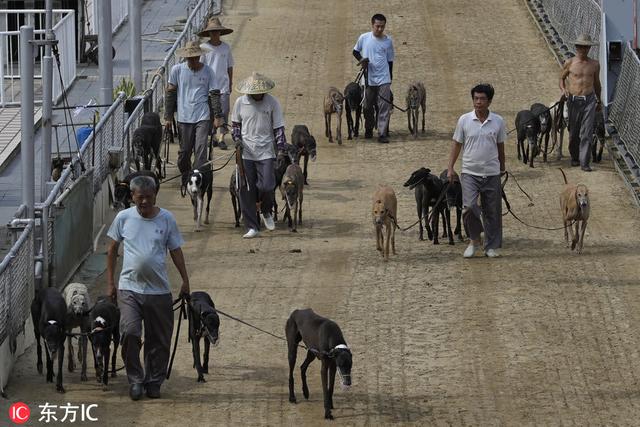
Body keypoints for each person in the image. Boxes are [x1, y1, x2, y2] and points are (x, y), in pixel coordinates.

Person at [106, 176, 190, 401]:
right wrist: (111, 284)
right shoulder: (123, 218)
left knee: (159, 340)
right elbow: (112, 250)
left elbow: (175, 251)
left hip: (159, 291)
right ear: (132, 196)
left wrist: (185, 280)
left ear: (155, 196)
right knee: (131, 333)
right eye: (139, 197)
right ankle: (135, 380)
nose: (144, 202)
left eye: (148, 197)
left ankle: (154, 382)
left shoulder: (167, 219)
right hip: (129, 289)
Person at [447, 84, 507, 259]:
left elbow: (500, 146)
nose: (478, 102)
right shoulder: (464, 120)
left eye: (482, 99)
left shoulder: (498, 121)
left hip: (491, 172)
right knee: (470, 207)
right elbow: (457, 144)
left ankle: (491, 246)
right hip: (469, 172)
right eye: (476, 99)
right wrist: (450, 168)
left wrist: (502, 167)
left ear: (489, 101)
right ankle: (474, 240)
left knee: (492, 210)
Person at [231, 72, 288, 239]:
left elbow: (278, 128)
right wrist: (237, 140)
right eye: (253, 93)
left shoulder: (272, 103)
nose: (257, 96)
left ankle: (266, 210)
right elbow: (235, 126)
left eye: (259, 93)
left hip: (266, 151)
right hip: (247, 152)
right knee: (246, 189)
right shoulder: (240, 103)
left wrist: (281, 150)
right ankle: (252, 226)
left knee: (267, 185)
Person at [165, 41, 217, 186]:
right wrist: (168, 117)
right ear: (186, 58)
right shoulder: (177, 70)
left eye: (196, 58)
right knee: (184, 154)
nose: (193, 61)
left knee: (201, 152)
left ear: (200, 57)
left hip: (203, 116)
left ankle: (198, 182)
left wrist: (217, 116)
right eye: (190, 58)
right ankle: (187, 176)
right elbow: (170, 92)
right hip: (184, 117)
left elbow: (214, 93)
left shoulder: (208, 71)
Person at [559, 33, 602, 172]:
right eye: (582, 47)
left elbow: (597, 83)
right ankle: (575, 157)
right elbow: (561, 79)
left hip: (589, 100)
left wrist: (599, 100)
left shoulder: (594, 64)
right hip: (573, 100)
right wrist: (563, 89)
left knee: (587, 132)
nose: (584, 50)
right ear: (577, 47)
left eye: (587, 47)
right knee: (573, 132)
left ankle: (585, 162)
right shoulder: (570, 63)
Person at [353, 13, 395, 143]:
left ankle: (382, 133)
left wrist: (389, 79)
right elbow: (355, 51)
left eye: (382, 26)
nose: (380, 29)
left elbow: (390, 61)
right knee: (367, 106)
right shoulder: (364, 38)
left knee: (384, 106)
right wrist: (362, 60)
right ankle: (369, 128)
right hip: (368, 79)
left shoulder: (388, 41)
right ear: (372, 25)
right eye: (377, 26)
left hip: (383, 78)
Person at [199, 17, 234, 150]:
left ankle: (221, 137)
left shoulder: (226, 48)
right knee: (210, 113)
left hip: (223, 85)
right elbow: (201, 67)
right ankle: (212, 135)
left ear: (220, 32)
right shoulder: (204, 48)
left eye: (217, 31)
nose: (214, 34)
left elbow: (230, 66)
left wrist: (230, 82)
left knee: (224, 111)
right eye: (212, 32)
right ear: (208, 33)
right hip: (208, 87)